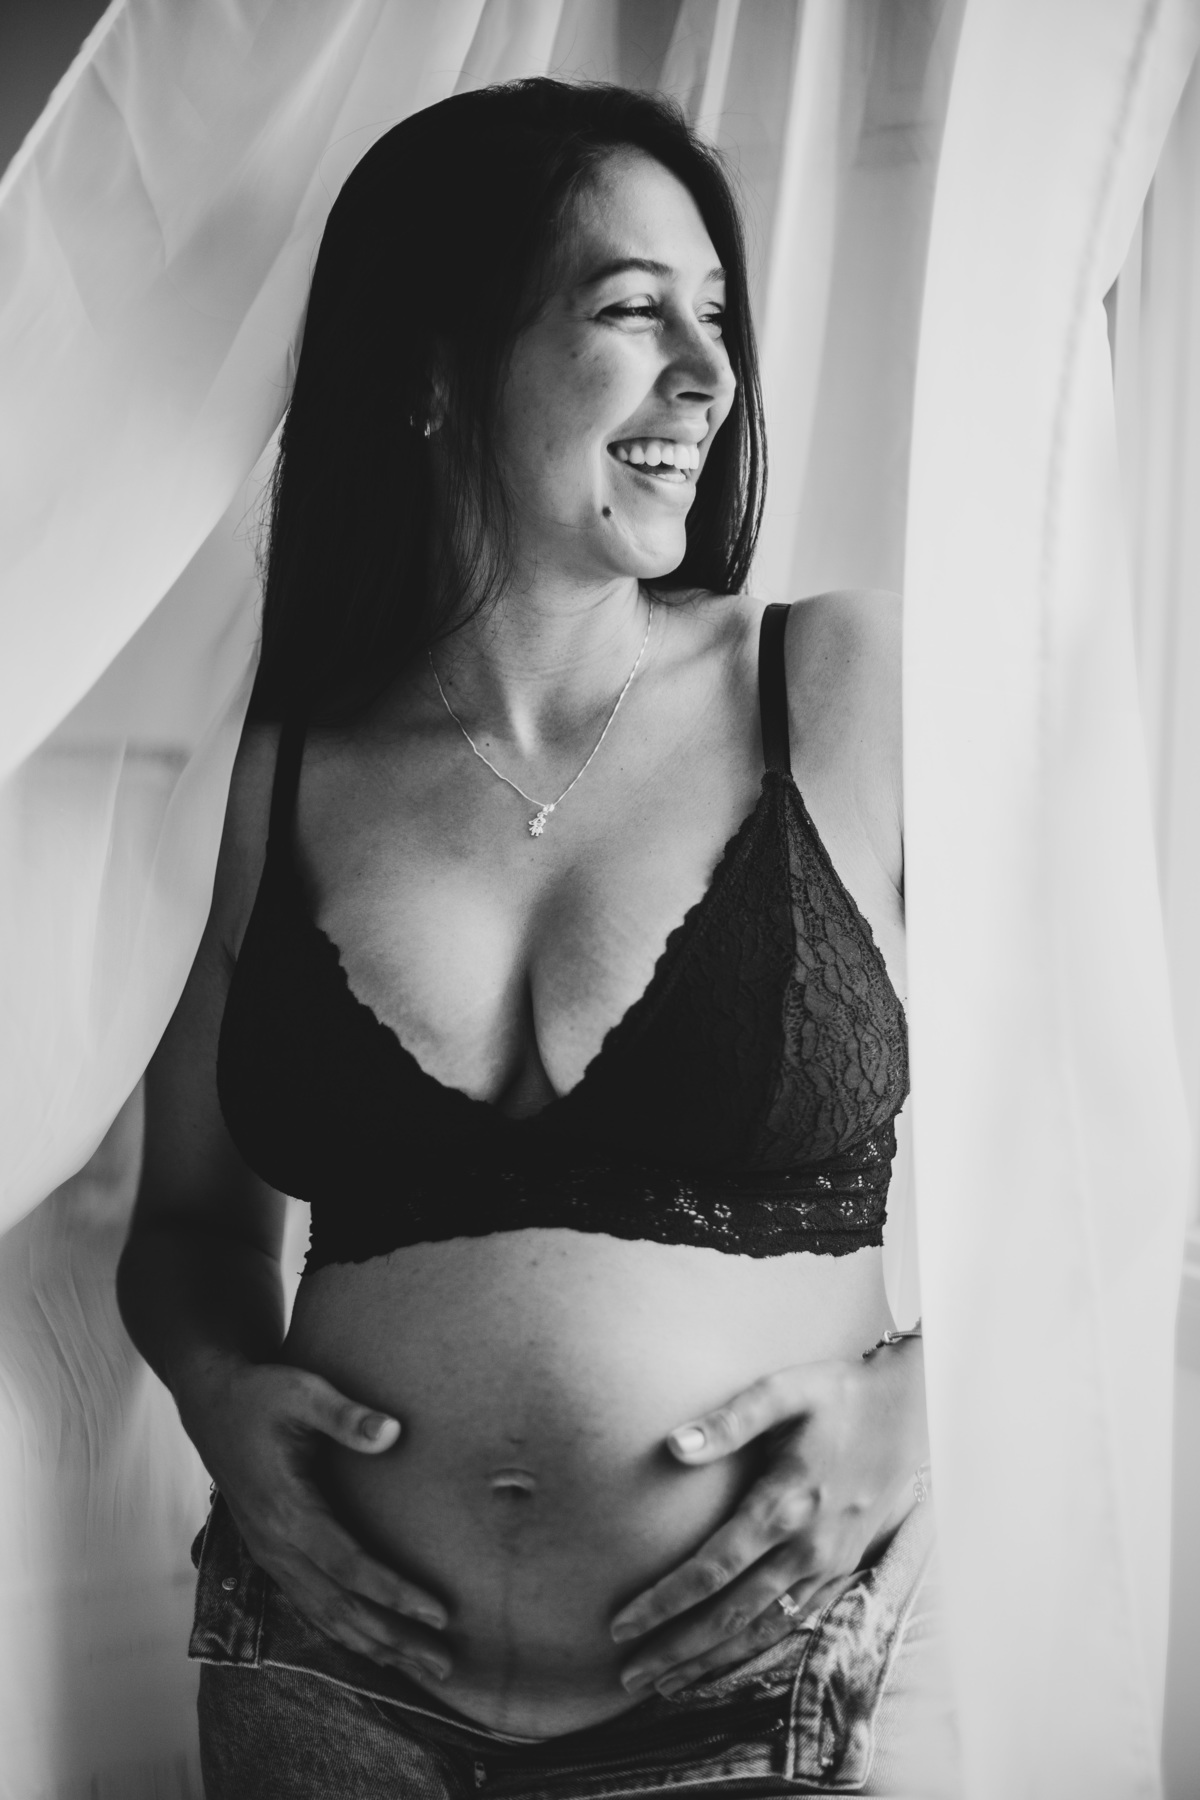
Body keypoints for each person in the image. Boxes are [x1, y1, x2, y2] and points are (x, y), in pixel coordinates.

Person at [117, 78, 955, 1798]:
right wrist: (216, 1396)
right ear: (435, 369)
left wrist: (926, 1405)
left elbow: (1115, 1154)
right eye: (635, 311)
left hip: (768, 1702)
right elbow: (189, 1230)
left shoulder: (846, 690)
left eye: (716, 317)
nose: (712, 377)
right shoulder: (268, 777)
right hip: (315, 1690)